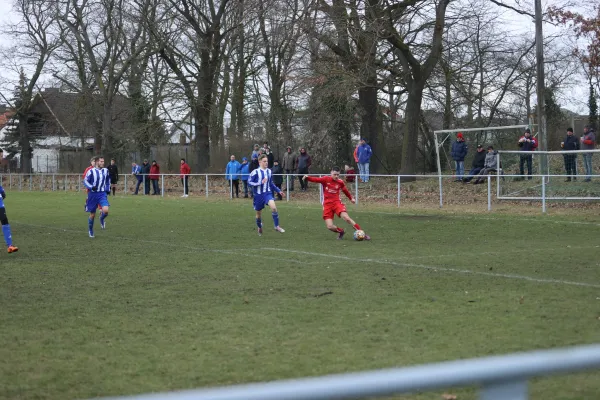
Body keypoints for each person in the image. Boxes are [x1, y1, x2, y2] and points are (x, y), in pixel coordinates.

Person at [303, 167, 371, 240]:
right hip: (327, 205)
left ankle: (362, 233)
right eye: (335, 174)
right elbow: (316, 180)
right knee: (329, 226)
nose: (336, 176)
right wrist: (307, 178)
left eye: (338, 175)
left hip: (337, 203)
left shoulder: (340, 182)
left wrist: (351, 198)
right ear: (331, 173)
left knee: (347, 218)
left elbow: (345, 191)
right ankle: (341, 231)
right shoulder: (325, 179)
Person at [248, 154, 285, 235]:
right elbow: (249, 182)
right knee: (258, 214)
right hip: (258, 195)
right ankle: (259, 226)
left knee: (274, 208)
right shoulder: (255, 172)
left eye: (267, 161)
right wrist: (260, 183)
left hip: (267, 193)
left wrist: (279, 191)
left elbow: (271, 183)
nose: (266, 163)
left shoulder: (269, 171)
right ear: (259, 161)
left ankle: (276, 226)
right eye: (264, 161)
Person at [83, 156, 110, 238]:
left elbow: (108, 180)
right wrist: (91, 187)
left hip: (102, 194)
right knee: (92, 214)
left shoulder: (106, 171)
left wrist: (107, 189)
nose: (103, 163)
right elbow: (85, 181)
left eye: (103, 161)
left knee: (105, 210)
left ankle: (101, 219)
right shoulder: (91, 171)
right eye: (101, 161)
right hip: (92, 195)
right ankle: (90, 230)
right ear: (97, 162)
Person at [0, 184, 18, 253]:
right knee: (5, 223)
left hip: (1, 207)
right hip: (1, 207)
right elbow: (3, 195)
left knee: (5, 223)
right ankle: (10, 245)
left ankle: (10, 246)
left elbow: (3, 194)